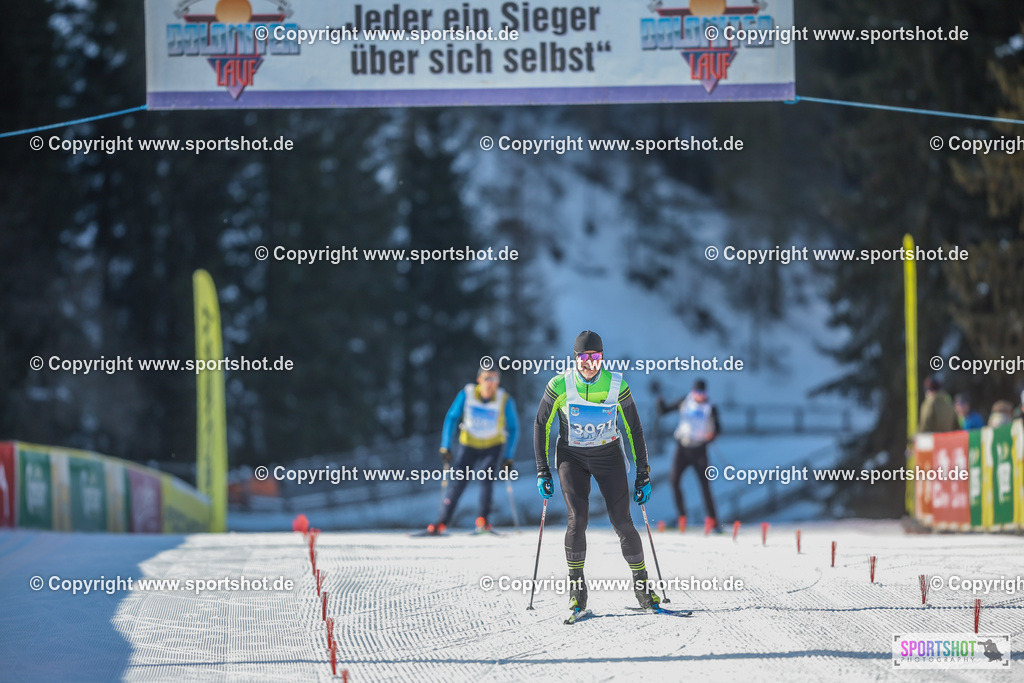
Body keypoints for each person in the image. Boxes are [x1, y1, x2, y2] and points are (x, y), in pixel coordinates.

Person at [534, 330, 659, 615]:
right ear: (575, 358)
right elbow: (541, 424)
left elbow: (634, 429)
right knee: (577, 520)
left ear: (602, 357)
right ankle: (577, 590)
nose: (590, 363)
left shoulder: (616, 383)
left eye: (596, 357)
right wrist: (542, 470)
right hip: (572, 458)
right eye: (584, 357)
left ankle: (642, 587)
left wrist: (643, 472)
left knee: (623, 522)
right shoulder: (559, 384)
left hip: (608, 456)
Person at [425, 365, 518, 535]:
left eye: (494, 379)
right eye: (487, 378)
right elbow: (452, 417)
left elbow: (513, 428)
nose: (490, 383)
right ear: (479, 380)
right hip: (469, 444)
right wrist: (445, 445)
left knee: (485, 476)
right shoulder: (467, 394)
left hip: (493, 445)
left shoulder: (504, 399)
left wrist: (508, 456)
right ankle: (442, 522)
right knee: (459, 482)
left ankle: (483, 520)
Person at [657, 379, 721, 533]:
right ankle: (682, 517)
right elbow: (664, 411)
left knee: (704, 485)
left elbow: (718, 428)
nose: (699, 396)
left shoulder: (710, 408)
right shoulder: (684, 402)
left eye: (702, 393)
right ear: (693, 392)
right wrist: (659, 402)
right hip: (683, 448)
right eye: (697, 392)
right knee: (674, 481)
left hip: (700, 449)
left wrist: (712, 435)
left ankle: (713, 521)